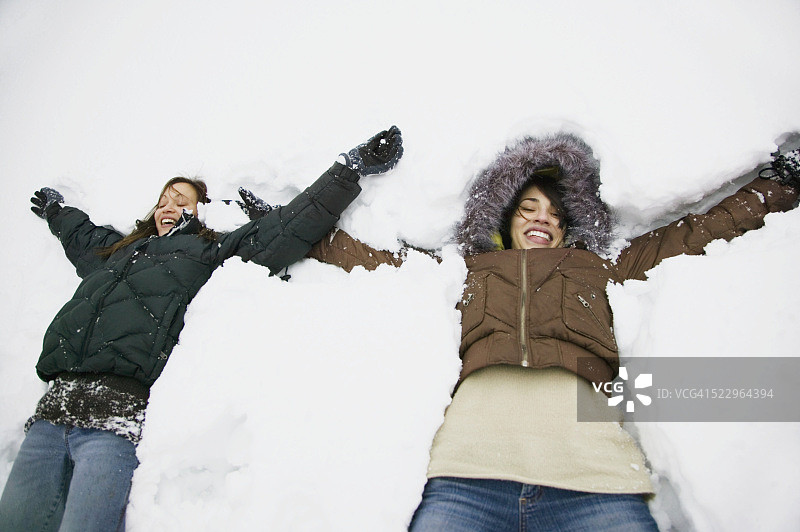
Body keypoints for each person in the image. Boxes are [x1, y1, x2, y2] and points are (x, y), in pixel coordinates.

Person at [238, 131, 799, 531]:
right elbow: (365, 258)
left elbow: (693, 234)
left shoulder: (598, 268)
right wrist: (286, 223)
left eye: (555, 215)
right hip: (465, 480)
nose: (542, 218)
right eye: (529, 207)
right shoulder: (464, 272)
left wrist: (776, 189)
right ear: (505, 220)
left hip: (596, 483)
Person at [0, 126, 403, 532]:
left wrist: (348, 170)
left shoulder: (205, 253)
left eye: (181, 200)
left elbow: (285, 227)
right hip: (52, 413)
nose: (168, 205)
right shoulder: (116, 252)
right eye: (163, 199)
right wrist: (57, 211)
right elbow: (80, 237)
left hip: (114, 414)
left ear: (199, 211)